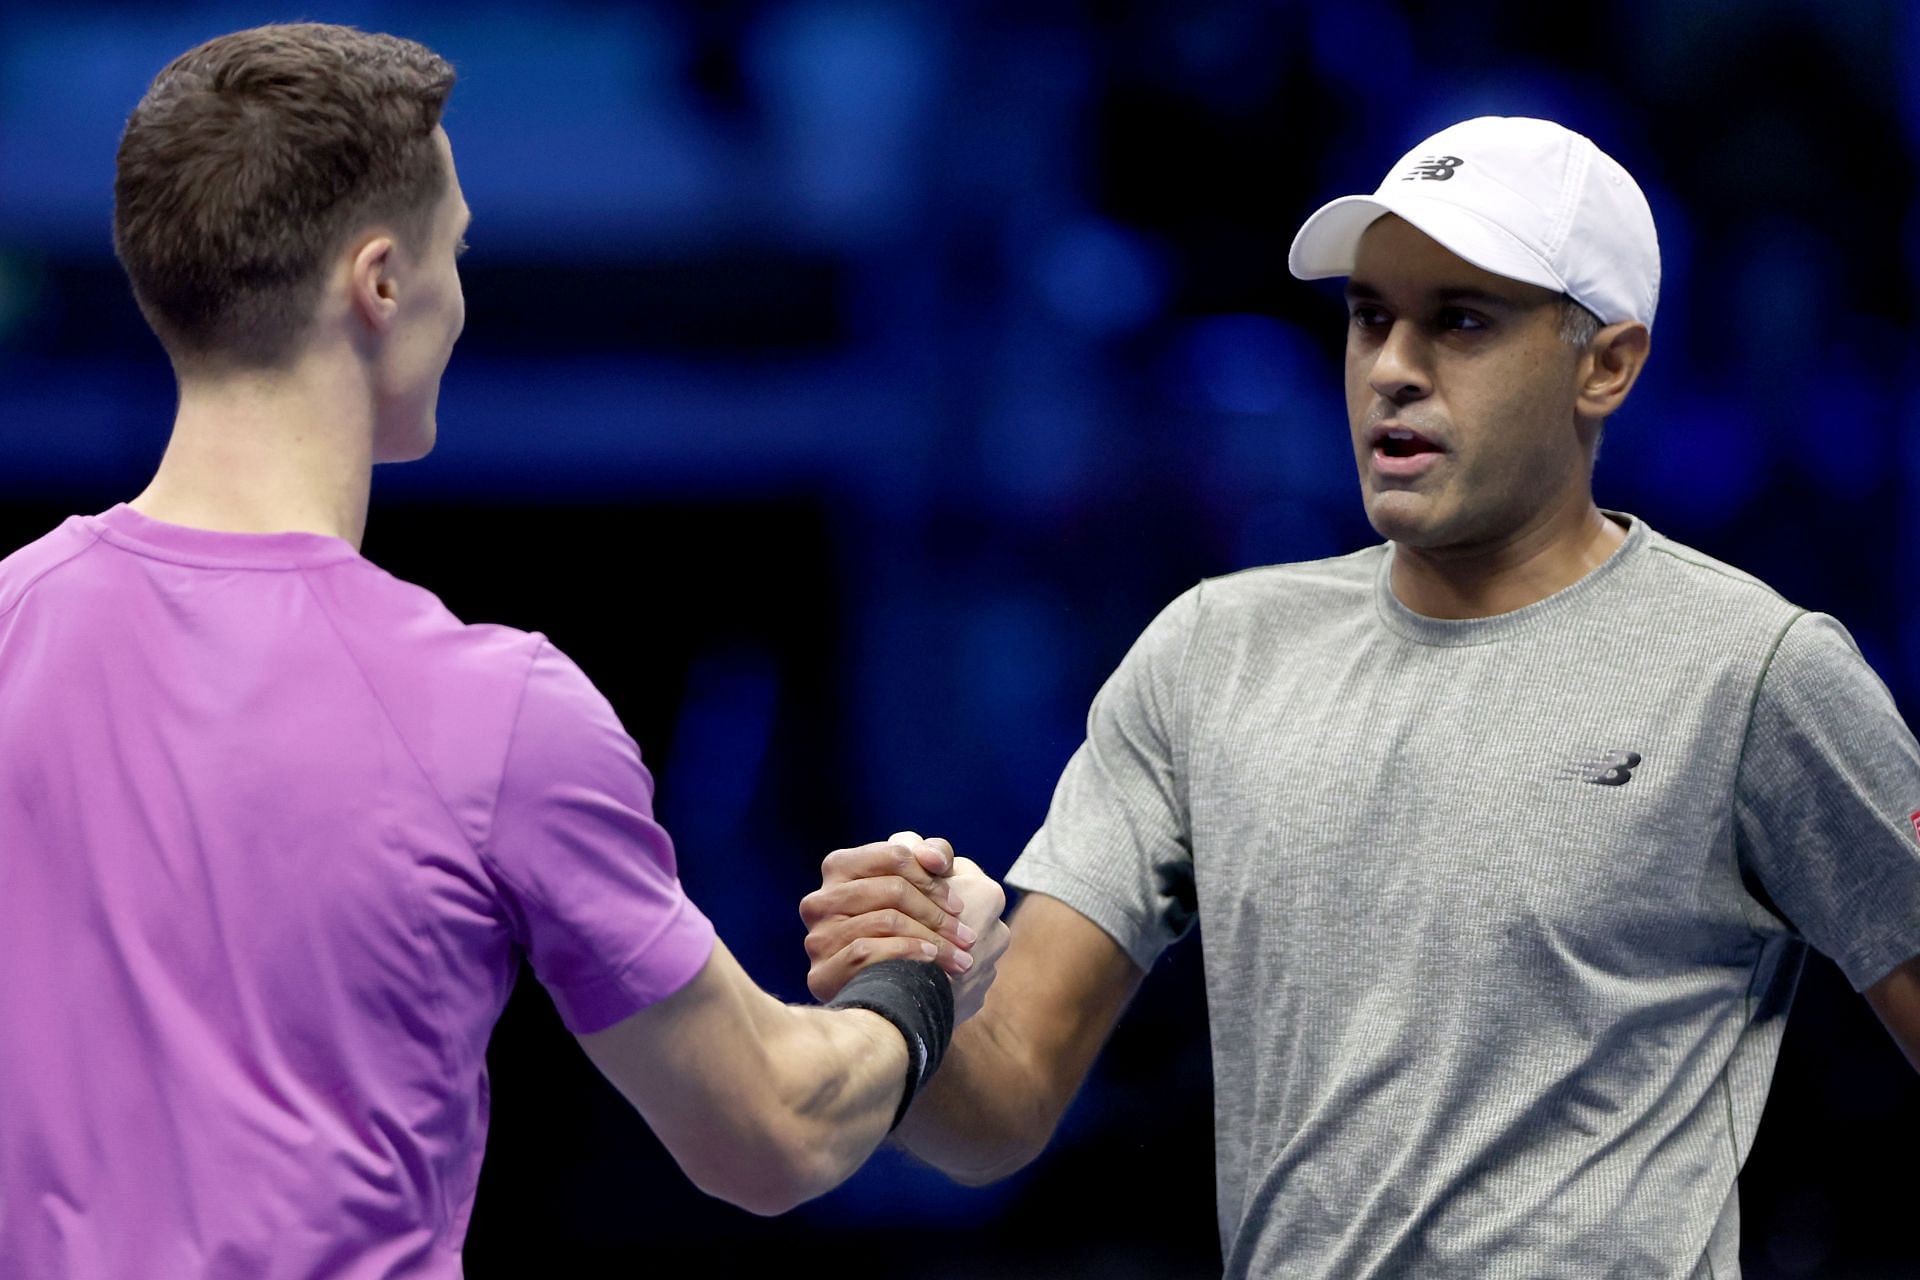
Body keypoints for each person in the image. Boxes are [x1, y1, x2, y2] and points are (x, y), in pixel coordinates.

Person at [800, 115, 1920, 1276]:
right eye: (1371, 316)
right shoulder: (1208, 655)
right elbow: (1005, 1104)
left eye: (1461, 321)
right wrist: (909, 995)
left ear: (1608, 364)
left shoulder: (1753, 668)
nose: (1392, 365)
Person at [0, 22, 1009, 1278]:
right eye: (454, 253)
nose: (461, 297)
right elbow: (772, 1128)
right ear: (379, 283)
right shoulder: (498, 713)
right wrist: (919, 986)